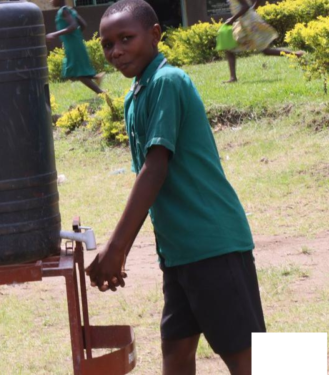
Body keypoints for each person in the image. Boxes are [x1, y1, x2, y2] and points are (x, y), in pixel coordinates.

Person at [89, 1, 264, 374]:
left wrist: (117, 247)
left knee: (251, 358)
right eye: (107, 44)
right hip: (179, 252)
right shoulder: (136, 94)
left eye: (125, 39)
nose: (116, 51)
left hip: (211, 244)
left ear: (154, 35)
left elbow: (155, 169)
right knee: (177, 354)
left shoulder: (169, 81)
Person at [222, 0, 304, 83]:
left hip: (250, 24)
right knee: (229, 48)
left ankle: (297, 54)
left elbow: (245, 6)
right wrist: (251, 10)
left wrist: (233, 19)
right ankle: (233, 78)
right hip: (245, 22)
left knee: (265, 50)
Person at [46, 0, 105, 94]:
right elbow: (83, 25)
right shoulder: (70, 10)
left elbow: (73, 25)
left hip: (73, 45)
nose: (50, 1)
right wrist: (75, 37)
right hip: (75, 43)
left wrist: (54, 34)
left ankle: (101, 92)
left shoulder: (63, 11)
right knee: (71, 71)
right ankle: (96, 77)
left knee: (77, 73)